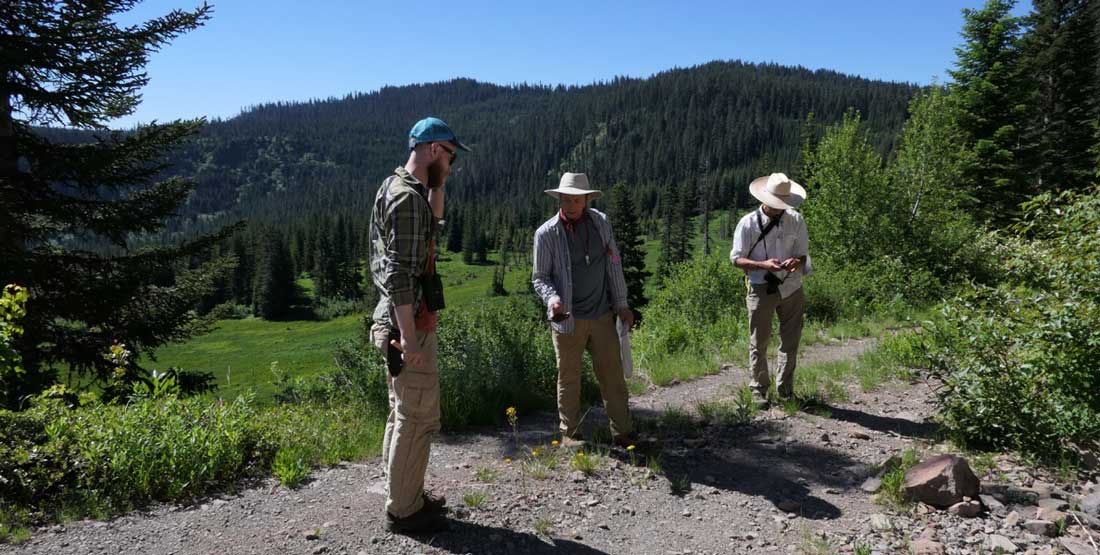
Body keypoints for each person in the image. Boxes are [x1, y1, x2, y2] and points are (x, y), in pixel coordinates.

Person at [368, 116, 469, 534]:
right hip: (407, 324)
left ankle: (403, 494)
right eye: (449, 156)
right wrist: (409, 337)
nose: (451, 163)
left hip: (393, 319)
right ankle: (405, 511)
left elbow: (434, 223)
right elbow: (398, 276)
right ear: (432, 150)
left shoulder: (401, 187)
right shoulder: (407, 200)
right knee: (419, 415)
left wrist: (438, 182)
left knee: (402, 410)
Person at [532, 173, 635, 448]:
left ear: (586, 199)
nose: (570, 203)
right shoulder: (546, 233)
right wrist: (552, 299)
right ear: (560, 198)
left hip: (602, 314)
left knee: (612, 377)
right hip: (568, 320)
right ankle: (571, 434)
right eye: (566, 198)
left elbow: (614, 263)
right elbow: (539, 276)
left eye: (576, 199)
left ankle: (623, 432)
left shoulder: (601, 223)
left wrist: (622, 304)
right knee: (568, 379)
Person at [729, 172, 811, 409]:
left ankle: (785, 390)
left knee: (790, 340)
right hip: (760, 286)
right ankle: (758, 389)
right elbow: (736, 259)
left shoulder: (796, 220)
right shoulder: (747, 223)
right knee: (759, 342)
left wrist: (797, 262)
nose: (780, 208)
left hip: (792, 287)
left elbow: (804, 254)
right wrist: (763, 265)